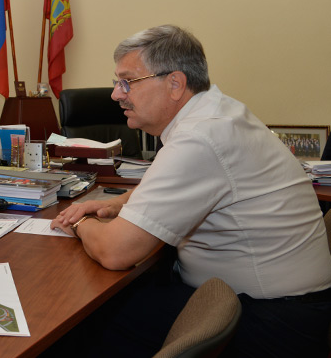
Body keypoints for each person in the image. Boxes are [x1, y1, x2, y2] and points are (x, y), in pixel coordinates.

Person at [51, 25, 331, 357]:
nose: (116, 94)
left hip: (273, 323)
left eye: (127, 81)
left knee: (81, 323)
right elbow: (188, 185)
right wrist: (120, 204)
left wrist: (80, 224)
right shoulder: (217, 113)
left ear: (175, 83)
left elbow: (116, 252)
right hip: (276, 304)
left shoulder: (200, 137)